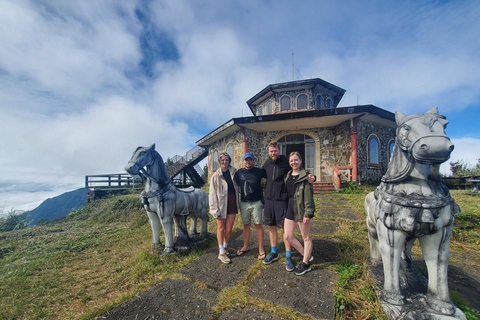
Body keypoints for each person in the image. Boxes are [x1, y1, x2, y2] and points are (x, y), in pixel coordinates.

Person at [262, 141, 315, 266]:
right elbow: (260, 176)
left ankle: (288, 255)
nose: (273, 153)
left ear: (279, 150)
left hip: (282, 200)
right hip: (269, 200)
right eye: (271, 151)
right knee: (273, 226)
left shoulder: (286, 162)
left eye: (275, 151)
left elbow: (302, 174)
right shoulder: (266, 164)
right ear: (268, 152)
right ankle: (274, 252)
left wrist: (313, 177)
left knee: (288, 232)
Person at [283, 152, 315, 275]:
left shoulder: (306, 176)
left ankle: (306, 264)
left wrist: (308, 213)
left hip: (302, 208)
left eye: (296, 160)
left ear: (300, 161)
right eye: (291, 161)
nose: (294, 163)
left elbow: (308, 197)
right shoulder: (288, 175)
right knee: (288, 236)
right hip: (290, 207)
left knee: (306, 237)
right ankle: (306, 254)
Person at [233, 152, 267, 260]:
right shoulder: (239, 173)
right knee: (246, 225)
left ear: (253, 161)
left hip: (257, 202)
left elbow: (272, 176)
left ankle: (261, 249)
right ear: (243, 161)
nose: (248, 162)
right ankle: (246, 246)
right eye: (246, 160)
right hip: (244, 203)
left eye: (250, 160)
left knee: (258, 225)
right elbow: (234, 185)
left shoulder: (259, 171)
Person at [209, 152, 239, 264]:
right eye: (222, 160)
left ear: (229, 161)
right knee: (221, 228)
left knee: (229, 228)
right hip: (220, 205)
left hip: (232, 203)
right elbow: (212, 194)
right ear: (220, 162)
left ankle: (226, 247)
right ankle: (221, 251)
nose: (225, 162)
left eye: (226, 160)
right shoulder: (215, 176)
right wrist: (214, 209)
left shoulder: (233, 172)